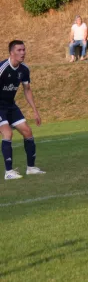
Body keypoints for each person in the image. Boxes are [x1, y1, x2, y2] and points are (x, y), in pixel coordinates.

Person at [1, 40, 44, 180]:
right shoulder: (3, 68)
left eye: (24, 50)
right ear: (11, 52)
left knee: (27, 131)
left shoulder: (24, 69)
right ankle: (8, 172)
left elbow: (27, 90)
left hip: (11, 105)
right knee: (7, 133)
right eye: (19, 50)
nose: (23, 53)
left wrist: (35, 111)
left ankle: (31, 168)